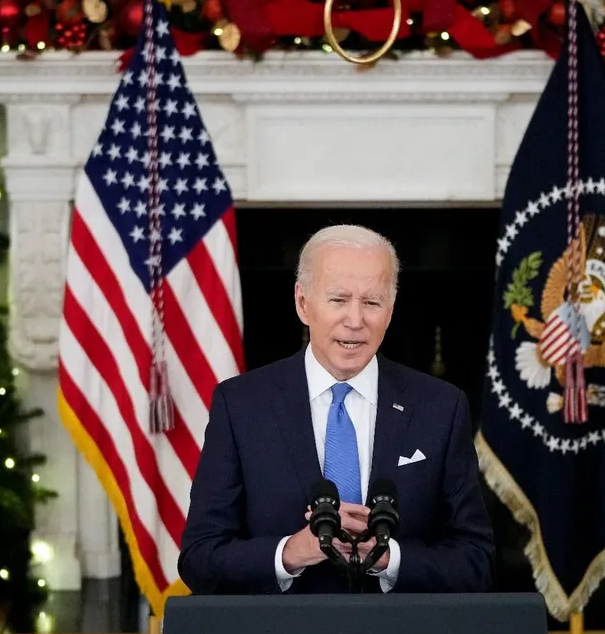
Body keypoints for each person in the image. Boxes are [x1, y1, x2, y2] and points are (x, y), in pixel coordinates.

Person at [178, 224, 494, 594]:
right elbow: (199, 558)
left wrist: (389, 558)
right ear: (302, 303)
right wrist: (290, 553)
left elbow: (477, 560)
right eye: (339, 300)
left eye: (372, 303)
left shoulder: (441, 407)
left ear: (390, 311)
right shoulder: (241, 405)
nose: (355, 320)